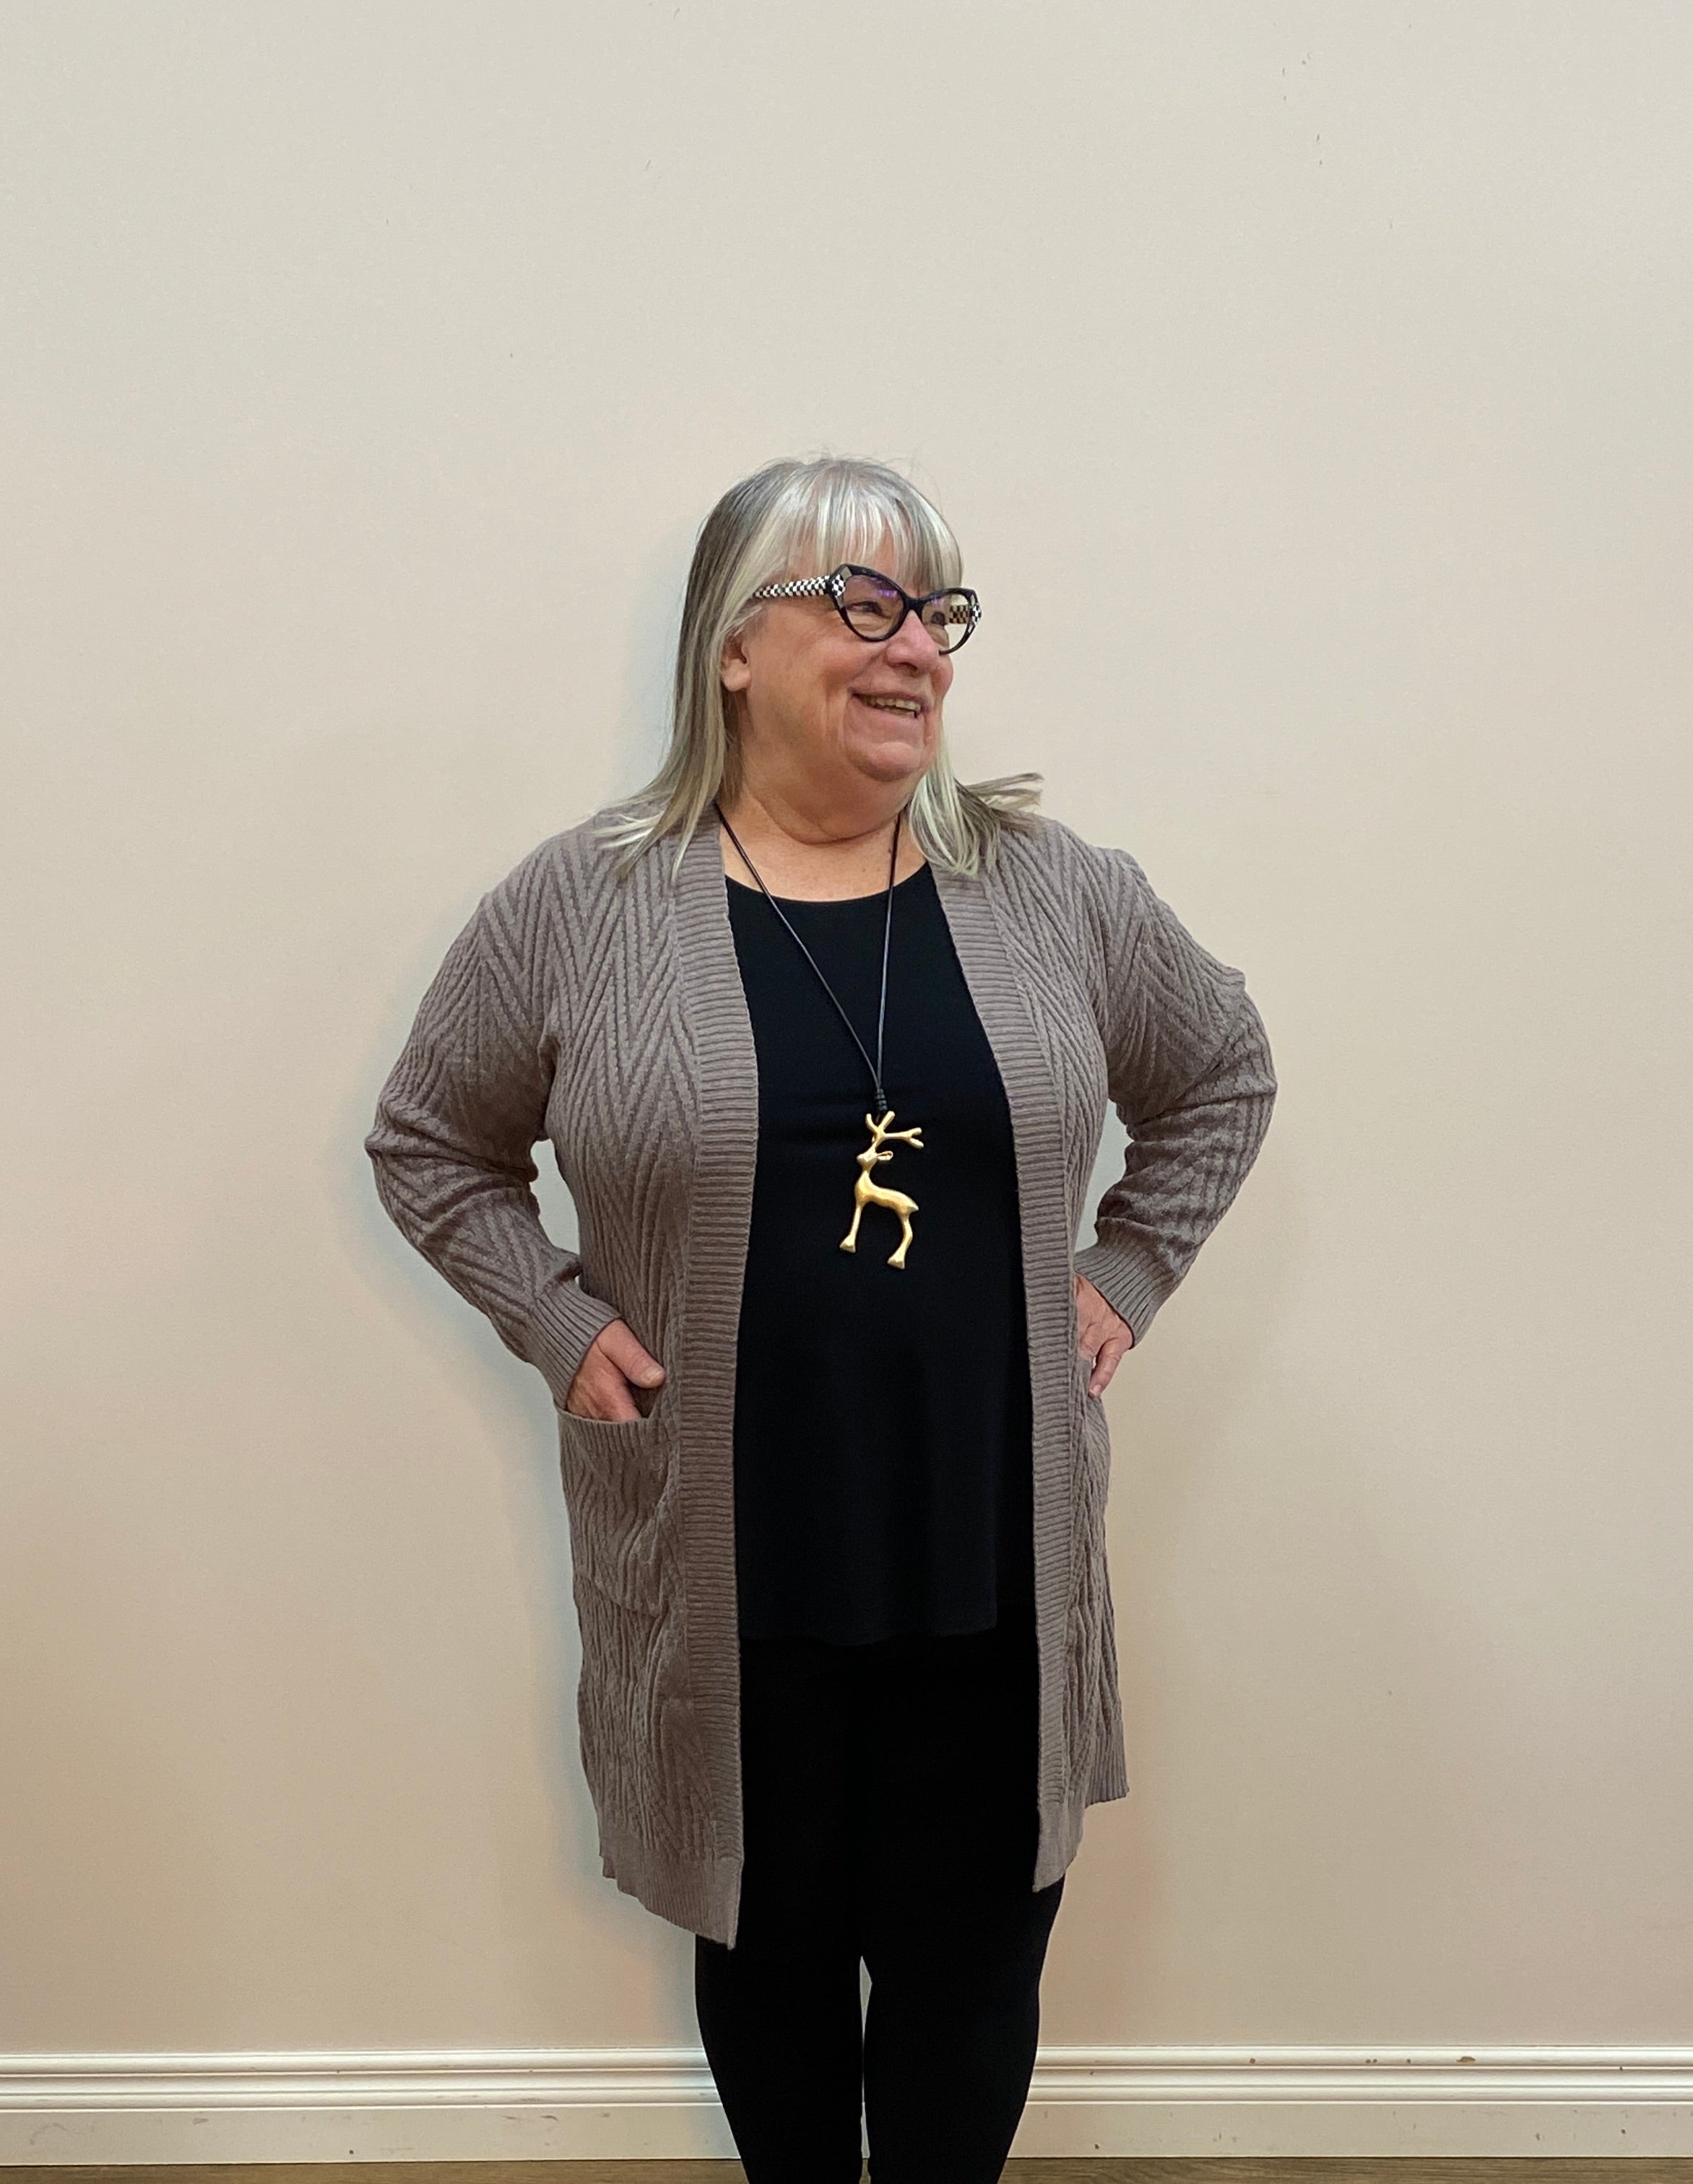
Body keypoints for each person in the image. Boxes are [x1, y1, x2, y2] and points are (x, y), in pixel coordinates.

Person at [363, 454, 1278, 2183]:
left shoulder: (1049, 888)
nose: (914, 646)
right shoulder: (587, 902)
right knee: (768, 1955)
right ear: (733, 642)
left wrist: (1130, 1269)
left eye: (937, 612)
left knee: (970, 1966)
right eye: (863, 601)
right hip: (728, 1558)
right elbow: (433, 1142)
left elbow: (1220, 1064)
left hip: (988, 1556)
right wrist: (556, 1326)